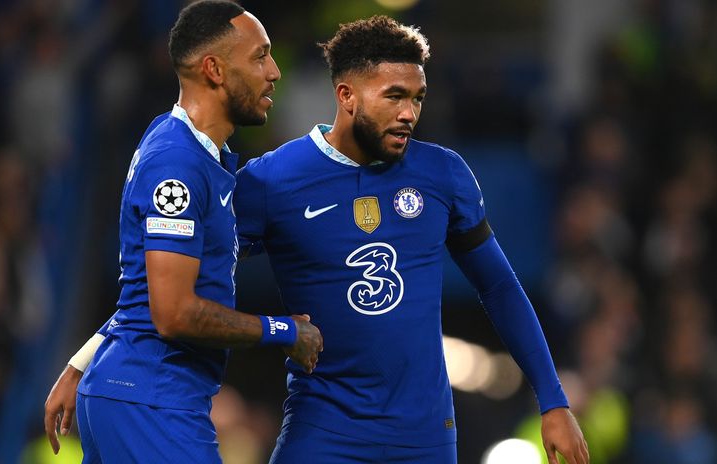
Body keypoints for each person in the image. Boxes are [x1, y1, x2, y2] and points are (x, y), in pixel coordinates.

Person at [47, 14, 589, 464]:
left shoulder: (444, 176)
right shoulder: (268, 182)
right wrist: (88, 355)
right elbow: (174, 278)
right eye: (394, 95)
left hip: (425, 439)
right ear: (347, 95)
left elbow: (499, 288)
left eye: (418, 98)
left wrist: (552, 400)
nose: (409, 112)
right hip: (322, 435)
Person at [43, 1, 323, 462]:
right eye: (259, 56)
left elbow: (144, 289)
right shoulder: (177, 164)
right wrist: (281, 330)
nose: (274, 71)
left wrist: (82, 361)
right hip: (150, 399)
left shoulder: (186, 149)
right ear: (213, 69)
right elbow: (172, 312)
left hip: (137, 393)